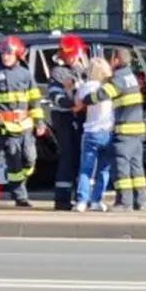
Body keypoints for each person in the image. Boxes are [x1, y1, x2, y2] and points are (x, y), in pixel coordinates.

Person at [0, 35, 46, 208]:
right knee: (14, 162)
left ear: (17, 54)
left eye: (9, 53)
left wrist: (39, 122)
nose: (5, 56)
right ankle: (20, 196)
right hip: (6, 127)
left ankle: (21, 182)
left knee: (30, 158)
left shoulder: (26, 75)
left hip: (26, 126)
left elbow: (35, 101)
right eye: (3, 53)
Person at [78, 47, 146, 210]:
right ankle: (139, 200)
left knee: (121, 166)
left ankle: (124, 203)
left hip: (125, 130)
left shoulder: (119, 78)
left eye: (111, 58)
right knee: (136, 166)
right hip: (137, 130)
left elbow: (102, 94)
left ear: (116, 59)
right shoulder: (131, 77)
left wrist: (87, 99)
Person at [46, 34, 88, 211]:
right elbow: (55, 96)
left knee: (80, 156)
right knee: (68, 156)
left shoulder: (84, 70)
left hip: (81, 117)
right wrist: (72, 103)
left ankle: (79, 196)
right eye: (67, 55)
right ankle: (62, 200)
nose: (69, 58)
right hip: (64, 117)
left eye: (72, 55)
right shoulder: (58, 72)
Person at [73, 57, 113, 212]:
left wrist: (73, 88)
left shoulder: (87, 86)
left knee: (86, 169)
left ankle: (82, 201)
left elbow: (77, 103)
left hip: (91, 131)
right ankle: (97, 200)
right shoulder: (109, 87)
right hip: (108, 132)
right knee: (104, 169)